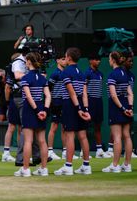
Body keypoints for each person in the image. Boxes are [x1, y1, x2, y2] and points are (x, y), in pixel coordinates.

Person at [54, 47, 92, 176]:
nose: (64, 59)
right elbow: (84, 94)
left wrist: (79, 110)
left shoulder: (65, 72)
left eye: (65, 56)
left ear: (69, 58)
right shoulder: (81, 73)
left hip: (71, 106)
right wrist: (85, 109)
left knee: (70, 135)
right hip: (80, 105)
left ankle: (68, 166)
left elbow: (72, 93)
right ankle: (86, 166)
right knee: (82, 136)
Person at [14, 52, 51, 177]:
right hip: (41, 108)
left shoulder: (25, 78)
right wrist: (44, 110)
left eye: (26, 60)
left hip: (30, 110)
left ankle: (25, 169)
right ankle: (44, 169)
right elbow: (48, 96)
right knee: (42, 141)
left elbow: (29, 97)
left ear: (29, 62)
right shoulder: (42, 78)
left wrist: (37, 111)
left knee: (28, 141)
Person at [102, 51, 134, 173]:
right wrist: (129, 108)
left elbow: (114, 96)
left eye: (109, 58)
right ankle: (127, 164)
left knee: (117, 137)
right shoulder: (125, 74)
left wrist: (123, 109)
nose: (109, 61)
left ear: (113, 60)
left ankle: (115, 166)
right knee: (127, 136)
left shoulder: (112, 75)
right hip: (126, 106)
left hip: (117, 108)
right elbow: (131, 93)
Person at [85, 53, 110, 158]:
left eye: (99, 60)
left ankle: (99, 150)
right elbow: (84, 89)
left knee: (98, 125)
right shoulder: (86, 73)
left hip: (98, 101)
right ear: (90, 61)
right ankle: (83, 150)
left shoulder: (100, 74)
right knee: (86, 126)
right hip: (89, 101)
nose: (98, 61)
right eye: (96, 59)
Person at [47, 55, 67, 160]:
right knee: (54, 127)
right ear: (58, 61)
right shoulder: (55, 74)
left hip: (64, 102)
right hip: (55, 102)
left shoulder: (66, 73)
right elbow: (48, 89)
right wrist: (50, 103)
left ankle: (65, 151)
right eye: (63, 59)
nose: (65, 61)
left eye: (65, 59)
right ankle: (50, 151)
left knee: (64, 127)